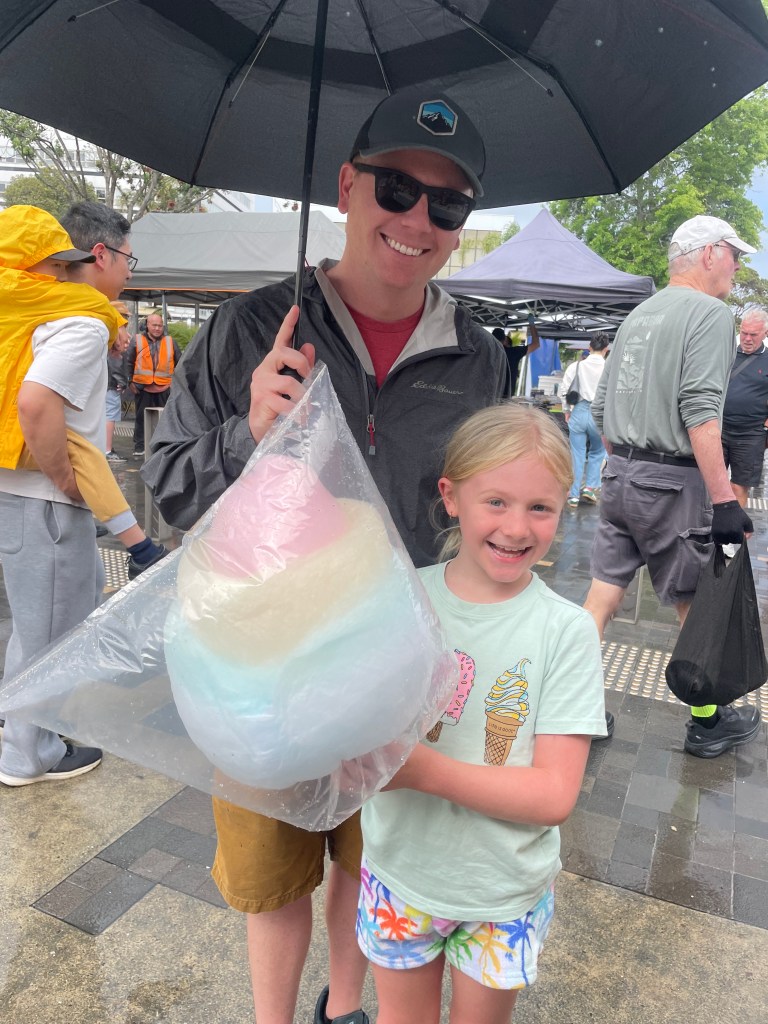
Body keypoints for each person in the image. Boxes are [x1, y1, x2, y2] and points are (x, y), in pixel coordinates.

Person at [143, 88, 510, 1024]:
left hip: (402, 670)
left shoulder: (479, 356)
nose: (417, 221)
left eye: (447, 204)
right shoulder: (251, 328)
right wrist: (246, 433)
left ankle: (343, 1009)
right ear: (348, 186)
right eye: (396, 189)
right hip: (259, 666)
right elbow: (171, 485)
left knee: (371, 859)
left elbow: (484, 508)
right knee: (272, 876)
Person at [357, 403, 606, 1024]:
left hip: (502, 893)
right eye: (496, 502)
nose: (516, 528)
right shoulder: (403, 600)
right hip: (399, 871)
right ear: (451, 497)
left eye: (540, 507)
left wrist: (421, 771)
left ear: (565, 505)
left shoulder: (566, 631)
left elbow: (554, 794)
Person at [585, 214, 761, 760]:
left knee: (599, 599)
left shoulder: (638, 314)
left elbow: (600, 408)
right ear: (708, 253)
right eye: (734, 254)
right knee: (694, 602)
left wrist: (629, 463)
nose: (737, 266)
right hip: (673, 484)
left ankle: (574, 707)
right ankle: (707, 722)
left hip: (619, 477)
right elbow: (700, 409)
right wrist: (725, 499)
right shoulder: (710, 314)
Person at [0, 202, 136, 786]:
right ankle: (28, 756)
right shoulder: (80, 324)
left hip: (14, 493)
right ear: (97, 255)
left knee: (32, 627)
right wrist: (61, 475)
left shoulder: (26, 315)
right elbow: (36, 403)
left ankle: (22, 734)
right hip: (46, 504)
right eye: (128, 258)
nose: (129, 270)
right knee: (50, 636)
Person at [721, 308, 768, 529]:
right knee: (707, 480)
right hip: (718, 428)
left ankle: (731, 531)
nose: (747, 339)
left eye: (753, 335)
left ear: (765, 333)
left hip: (750, 434)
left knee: (738, 485)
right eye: (744, 333)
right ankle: (706, 525)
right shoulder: (726, 354)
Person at [560, 333, 610, 508]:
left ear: (589, 347)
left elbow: (564, 390)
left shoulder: (576, 366)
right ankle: (589, 487)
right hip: (600, 413)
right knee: (598, 451)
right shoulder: (609, 367)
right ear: (606, 349)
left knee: (577, 454)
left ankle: (573, 496)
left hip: (579, 411)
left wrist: (566, 411)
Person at [125, 312, 181, 457]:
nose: (157, 328)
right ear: (147, 325)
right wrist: (130, 382)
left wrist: (175, 384)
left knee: (166, 418)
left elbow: (180, 364)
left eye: (160, 326)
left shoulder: (170, 342)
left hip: (165, 387)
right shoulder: (137, 340)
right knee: (141, 418)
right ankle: (140, 446)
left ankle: (163, 446)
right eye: (154, 325)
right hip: (143, 387)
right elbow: (128, 362)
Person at [106, 299, 131, 463]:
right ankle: (107, 450)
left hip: (103, 383)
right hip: (111, 385)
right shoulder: (116, 333)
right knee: (110, 415)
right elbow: (115, 360)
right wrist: (122, 381)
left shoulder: (104, 330)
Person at [491, 315, 540, 394]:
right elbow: (536, 344)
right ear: (504, 340)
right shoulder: (513, 352)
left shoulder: (487, 352)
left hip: (488, 395)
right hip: (506, 396)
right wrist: (532, 324)